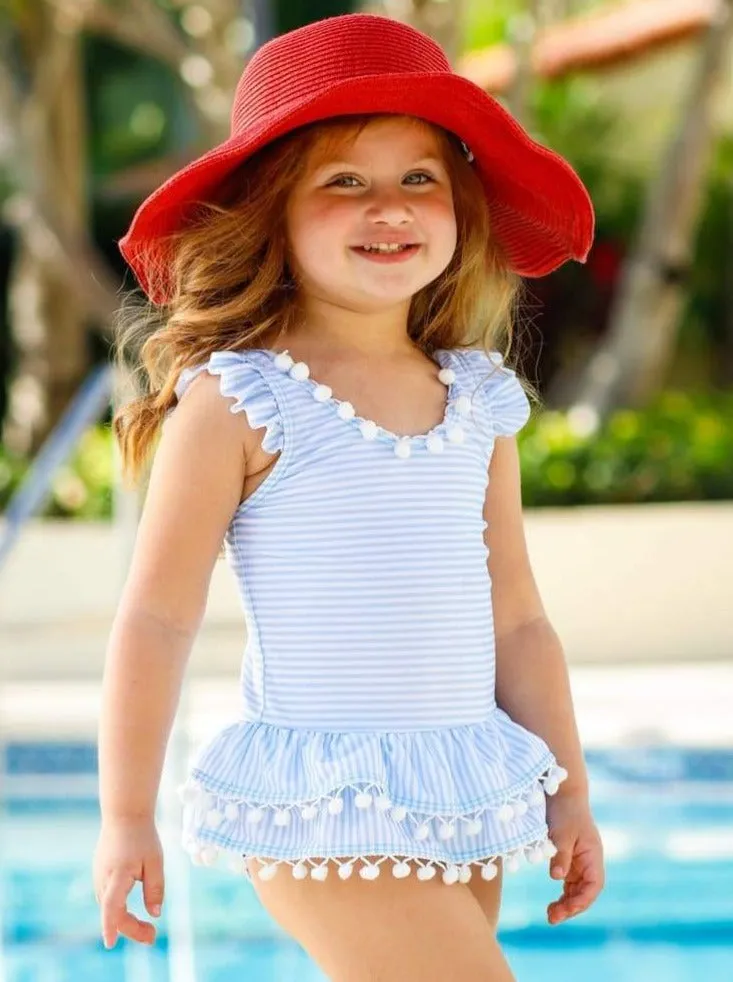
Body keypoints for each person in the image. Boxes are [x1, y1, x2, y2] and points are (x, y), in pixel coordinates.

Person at [93, 12, 604, 981]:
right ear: (272, 210)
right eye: (344, 182)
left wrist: (568, 791)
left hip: (463, 782)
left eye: (420, 178)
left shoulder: (476, 402)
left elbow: (521, 625)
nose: (391, 206)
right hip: (318, 803)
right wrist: (126, 815)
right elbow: (156, 618)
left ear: (460, 206)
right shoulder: (242, 398)